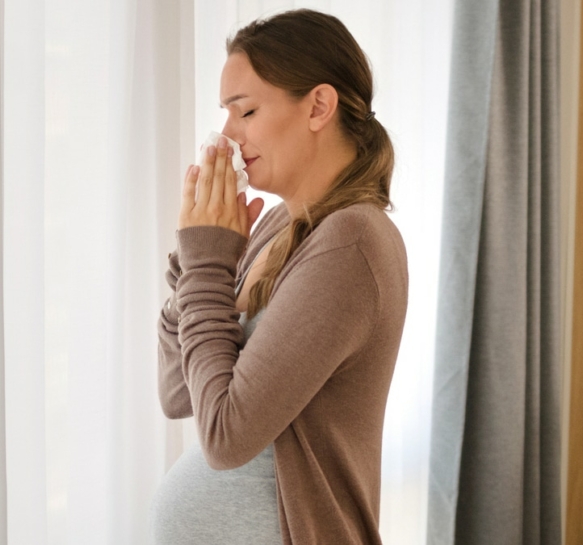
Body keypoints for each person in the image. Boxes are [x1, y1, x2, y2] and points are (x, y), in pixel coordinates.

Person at [150, 8, 408, 545]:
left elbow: (225, 438)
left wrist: (206, 265)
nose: (227, 133)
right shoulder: (276, 227)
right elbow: (180, 393)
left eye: (244, 110)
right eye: (225, 113)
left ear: (318, 106)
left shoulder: (352, 243)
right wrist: (193, 262)